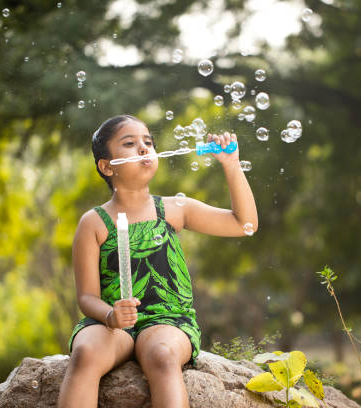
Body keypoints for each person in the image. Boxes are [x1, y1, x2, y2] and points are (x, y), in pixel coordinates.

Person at [57, 114, 258, 408]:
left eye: (148, 142)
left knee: (162, 356)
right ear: (106, 166)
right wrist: (111, 316)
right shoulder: (94, 223)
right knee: (85, 354)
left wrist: (231, 165)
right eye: (130, 143)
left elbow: (244, 223)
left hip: (168, 320)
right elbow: (87, 296)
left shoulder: (174, 209)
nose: (143, 148)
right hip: (112, 324)